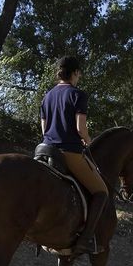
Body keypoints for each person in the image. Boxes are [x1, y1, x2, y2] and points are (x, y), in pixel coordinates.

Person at [41, 55, 108, 254]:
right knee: (101, 192)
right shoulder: (78, 94)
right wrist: (88, 140)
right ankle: (86, 240)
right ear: (75, 73)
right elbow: (80, 127)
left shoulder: (48, 96)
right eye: (79, 73)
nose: (79, 77)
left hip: (44, 150)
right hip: (68, 152)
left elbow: (44, 128)